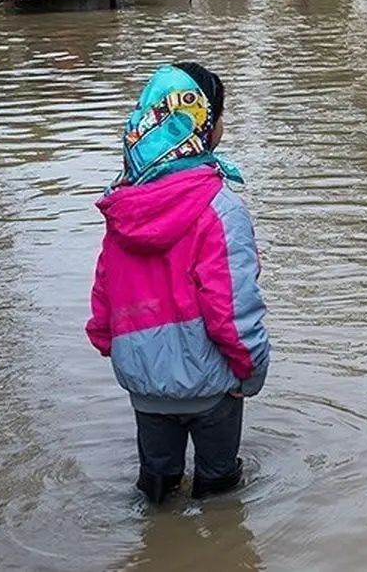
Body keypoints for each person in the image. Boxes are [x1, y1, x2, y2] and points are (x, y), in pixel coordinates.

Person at [85, 62, 270, 505]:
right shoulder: (221, 210)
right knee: (220, 494)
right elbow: (233, 310)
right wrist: (251, 373)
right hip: (213, 390)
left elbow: (103, 304)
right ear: (203, 124)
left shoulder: (122, 207)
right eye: (221, 114)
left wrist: (127, 353)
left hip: (146, 390)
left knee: (155, 490)